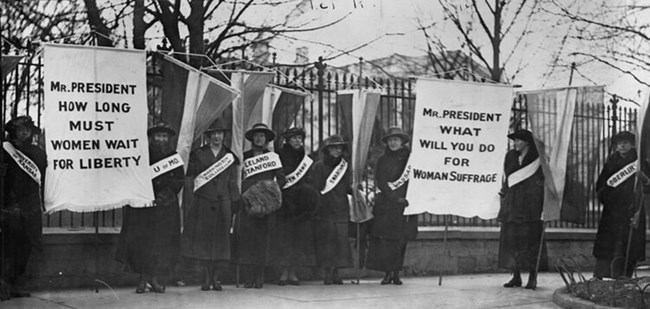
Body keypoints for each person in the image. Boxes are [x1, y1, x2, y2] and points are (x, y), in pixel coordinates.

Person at [115, 121, 185, 294]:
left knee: (160, 244)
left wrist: (164, 196)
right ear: (151, 138)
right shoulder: (141, 155)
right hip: (143, 207)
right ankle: (142, 279)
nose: (160, 140)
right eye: (157, 136)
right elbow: (132, 177)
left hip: (164, 207)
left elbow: (178, 180)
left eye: (164, 136)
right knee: (142, 243)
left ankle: (154, 279)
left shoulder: (174, 157)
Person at [181, 121, 240, 291]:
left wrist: (234, 200)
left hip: (223, 202)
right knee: (205, 240)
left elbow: (232, 180)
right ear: (208, 136)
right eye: (213, 133)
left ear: (224, 135)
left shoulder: (229, 156)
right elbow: (190, 175)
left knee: (221, 241)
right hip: (204, 201)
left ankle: (217, 277)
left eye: (219, 133)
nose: (216, 136)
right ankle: (206, 277)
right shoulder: (198, 154)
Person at [234, 123, 286, 289]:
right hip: (247, 204)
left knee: (262, 242)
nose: (259, 138)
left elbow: (282, 179)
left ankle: (259, 276)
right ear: (252, 138)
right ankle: (248, 277)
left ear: (266, 139)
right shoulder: (244, 157)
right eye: (256, 135)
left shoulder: (273, 157)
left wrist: (269, 193)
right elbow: (237, 178)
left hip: (265, 207)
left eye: (262, 136)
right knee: (247, 241)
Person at [1, 116, 46, 300]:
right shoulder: (5, 150)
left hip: (30, 207)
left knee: (25, 247)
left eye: (28, 129)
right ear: (13, 131)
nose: (25, 132)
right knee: (7, 247)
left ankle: (17, 284)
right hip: (10, 206)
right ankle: (4, 286)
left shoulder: (37, 152)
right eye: (21, 129)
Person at [366, 126, 418, 285]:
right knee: (386, 241)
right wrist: (394, 197)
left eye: (396, 139)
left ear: (402, 141)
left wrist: (406, 198)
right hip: (387, 205)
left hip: (405, 205)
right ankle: (388, 272)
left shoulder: (411, 159)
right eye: (390, 140)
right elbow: (380, 181)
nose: (393, 143)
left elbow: (415, 180)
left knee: (401, 240)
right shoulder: (382, 159)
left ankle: (396, 272)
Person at [593, 131, 648, 279]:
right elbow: (601, 184)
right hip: (611, 210)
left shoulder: (641, 162)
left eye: (625, 142)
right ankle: (601, 276)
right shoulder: (611, 161)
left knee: (626, 246)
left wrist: (645, 180)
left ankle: (623, 277)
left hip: (631, 209)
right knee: (607, 245)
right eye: (619, 143)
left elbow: (647, 187)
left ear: (632, 144)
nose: (622, 145)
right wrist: (605, 195)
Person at [269, 127, 319, 286]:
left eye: (300, 138)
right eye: (294, 138)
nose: (298, 141)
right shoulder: (280, 155)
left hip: (301, 204)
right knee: (284, 239)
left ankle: (293, 272)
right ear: (288, 140)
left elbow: (309, 178)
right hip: (285, 202)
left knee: (298, 239)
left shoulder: (306, 158)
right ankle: (284, 272)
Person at [498, 129, 545, 290]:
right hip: (512, 206)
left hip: (530, 207)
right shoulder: (510, 156)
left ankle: (532, 277)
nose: (515, 143)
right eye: (515, 141)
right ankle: (516, 276)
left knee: (531, 242)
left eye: (518, 140)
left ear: (527, 143)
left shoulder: (538, 158)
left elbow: (543, 180)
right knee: (512, 242)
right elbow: (507, 177)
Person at [312, 135, 353, 285]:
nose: (337, 150)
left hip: (341, 207)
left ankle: (336, 271)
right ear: (327, 150)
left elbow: (347, 186)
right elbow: (316, 189)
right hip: (325, 208)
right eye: (333, 147)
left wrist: (356, 191)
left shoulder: (345, 166)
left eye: (339, 148)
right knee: (327, 242)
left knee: (340, 241)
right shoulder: (319, 166)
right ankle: (327, 272)